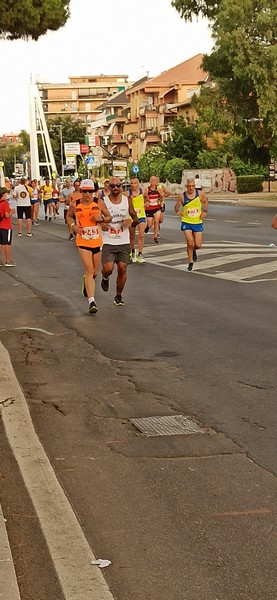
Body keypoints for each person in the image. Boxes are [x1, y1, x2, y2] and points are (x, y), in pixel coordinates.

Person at [66, 179, 111, 314]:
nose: (87, 194)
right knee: (89, 270)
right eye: (84, 191)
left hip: (96, 241)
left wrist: (101, 220)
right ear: (81, 192)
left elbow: (109, 217)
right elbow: (69, 217)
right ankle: (91, 301)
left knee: (95, 272)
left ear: (93, 192)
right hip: (83, 241)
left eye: (89, 191)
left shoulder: (99, 203)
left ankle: (86, 282)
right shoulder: (75, 204)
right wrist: (74, 227)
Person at [101, 177, 136, 306]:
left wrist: (131, 221)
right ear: (108, 187)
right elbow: (95, 217)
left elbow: (135, 218)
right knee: (108, 269)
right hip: (108, 239)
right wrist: (100, 223)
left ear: (121, 187)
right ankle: (105, 277)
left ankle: (118, 295)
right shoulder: (102, 201)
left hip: (123, 240)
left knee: (122, 269)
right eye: (113, 186)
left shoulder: (127, 201)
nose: (115, 188)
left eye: (118, 185)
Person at [174, 178, 208, 271]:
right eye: (189, 186)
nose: (191, 188)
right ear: (186, 186)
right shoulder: (182, 196)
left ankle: (194, 250)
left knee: (198, 245)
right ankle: (190, 262)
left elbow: (206, 201)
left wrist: (204, 211)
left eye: (193, 186)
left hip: (197, 222)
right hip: (187, 222)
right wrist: (178, 213)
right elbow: (176, 207)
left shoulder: (199, 194)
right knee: (190, 242)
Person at [128, 177, 146, 263]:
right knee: (132, 236)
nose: (133, 185)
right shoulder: (128, 193)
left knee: (141, 235)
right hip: (131, 216)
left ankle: (140, 253)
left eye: (135, 183)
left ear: (138, 183)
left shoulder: (143, 192)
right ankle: (132, 251)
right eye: (132, 183)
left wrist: (146, 203)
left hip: (141, 215)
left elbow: (147, 198)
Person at [143, 176, 163, 243]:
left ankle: (155, 237)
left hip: (157, 207)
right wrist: (146, 201)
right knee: (150, 224)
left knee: (156, 222)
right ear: (150, 181)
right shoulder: (147, 189)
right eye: (151, 180)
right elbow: (143, 198)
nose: (153, 181)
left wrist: (161, 202)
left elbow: (162, 197)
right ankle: (147, 227)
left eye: (154, 180)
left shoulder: (158, 189)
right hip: (149, 208)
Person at [0, 186, 16, 266]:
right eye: (6, 193)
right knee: (7, 243)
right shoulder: (5, 203)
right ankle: (8, 261)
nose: (7, 194)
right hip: (6, 226)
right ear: (3, 194)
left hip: (0, 225)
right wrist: (12, 211)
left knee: (0, 243)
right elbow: (7, 215)